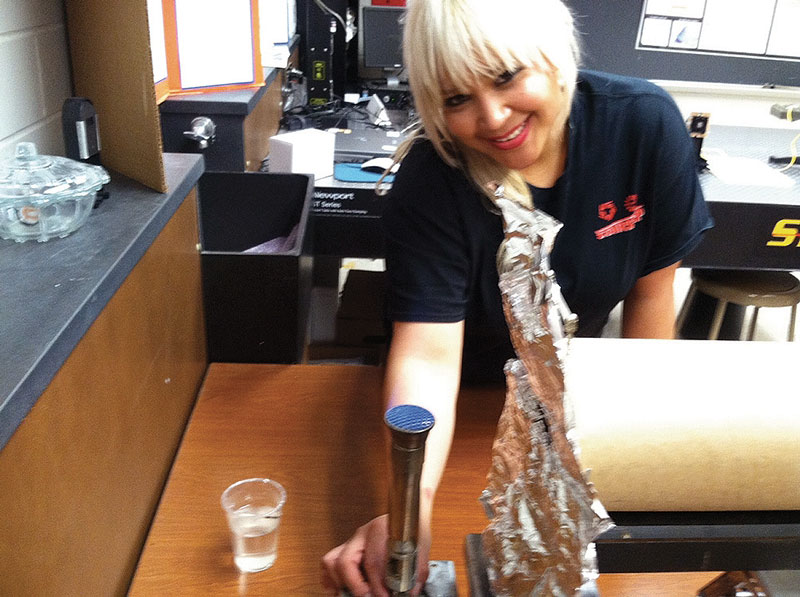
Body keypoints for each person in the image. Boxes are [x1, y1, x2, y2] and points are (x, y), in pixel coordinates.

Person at [321, 0, 713, 594]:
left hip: (566, 411)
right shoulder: (433, 179)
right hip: (461, 410)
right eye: (456, 99)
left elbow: (651, 313)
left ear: (552, 52)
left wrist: (642, 468)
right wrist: (414, 507)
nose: (494, 117)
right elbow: (427, 355)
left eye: (506, 77)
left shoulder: (642, 126)